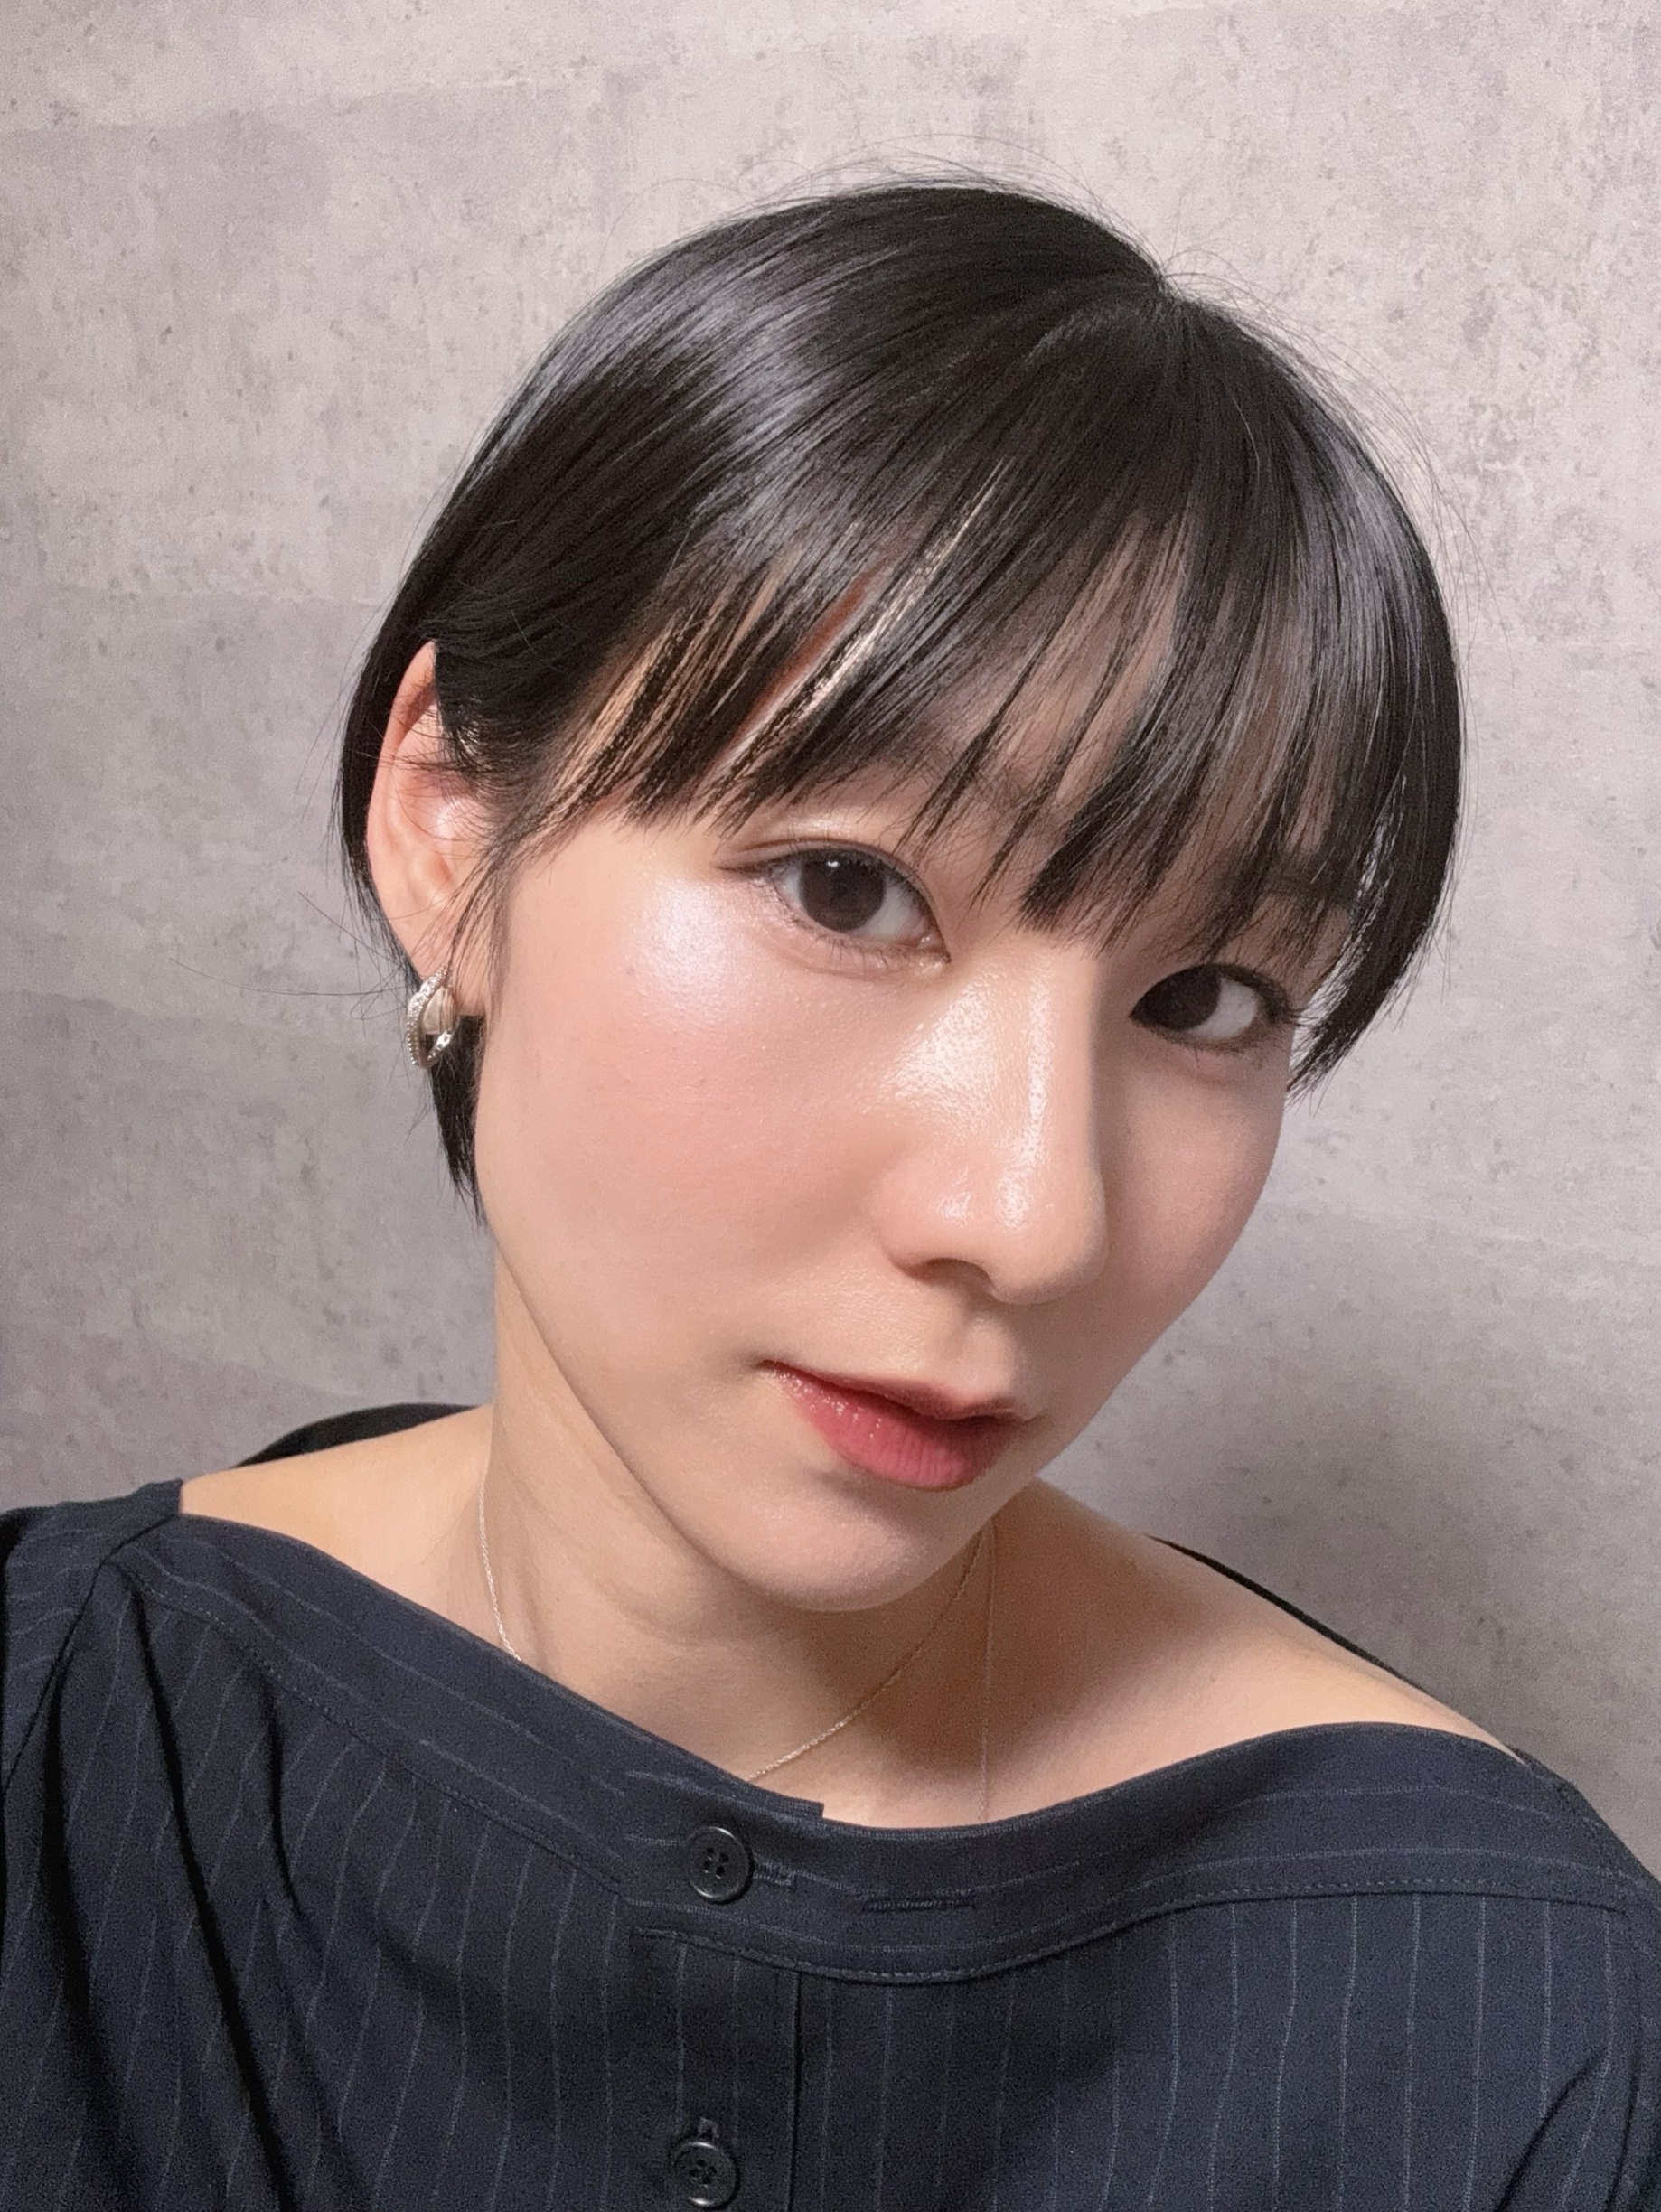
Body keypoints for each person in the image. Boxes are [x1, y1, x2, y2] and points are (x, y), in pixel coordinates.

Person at [2, 180, 1656, 2212]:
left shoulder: (1518, 2025)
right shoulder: (59, 1729)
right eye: (847, 889)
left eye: (1204, 999)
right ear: (446, 822)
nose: (1033, 1219)